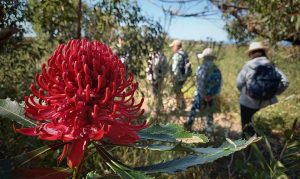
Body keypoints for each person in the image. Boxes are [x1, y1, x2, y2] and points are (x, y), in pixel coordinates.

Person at [236, 42, 289, 138]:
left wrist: (245, 93)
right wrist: (273, 93)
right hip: (267, 104)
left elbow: (239, 83)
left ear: (251, 53)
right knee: (263, 128)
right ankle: (263, 148)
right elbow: (285, 81)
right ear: (263, 52)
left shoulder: (248, 65)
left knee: (247, 127)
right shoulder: (271, 65)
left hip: (248, 103)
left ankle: (246, 149)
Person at [184, 48, 222, 132]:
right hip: (212, 96)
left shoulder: (201, 68)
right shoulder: (217, 69)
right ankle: (209, 129)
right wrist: (212, 95)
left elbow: (200, 84)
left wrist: (204, 95)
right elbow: (219, 84)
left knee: (194, 109)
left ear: (204, 58)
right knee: (209, 111)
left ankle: (189, 125)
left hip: (201, 95)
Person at [169, 40, 191, 110]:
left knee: (177, 91)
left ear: (176, 46)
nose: (172, 48)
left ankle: (179, 106)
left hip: (178, 77)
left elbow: (175, 68)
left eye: (173, 46)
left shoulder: (177, 55)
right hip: (184, 76)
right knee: (179, 90)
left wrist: (173, 77)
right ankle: (182, 105)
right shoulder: (184, 53)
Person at [146, 48, 168, 118]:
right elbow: (150, 67)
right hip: (154, 79)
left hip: (156, 79)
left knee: (156, 94)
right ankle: (158, 109)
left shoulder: (159, 56)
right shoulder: (153, 55)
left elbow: (157, 68)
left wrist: (158, 78)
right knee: (155, 94)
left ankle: (156, 110)